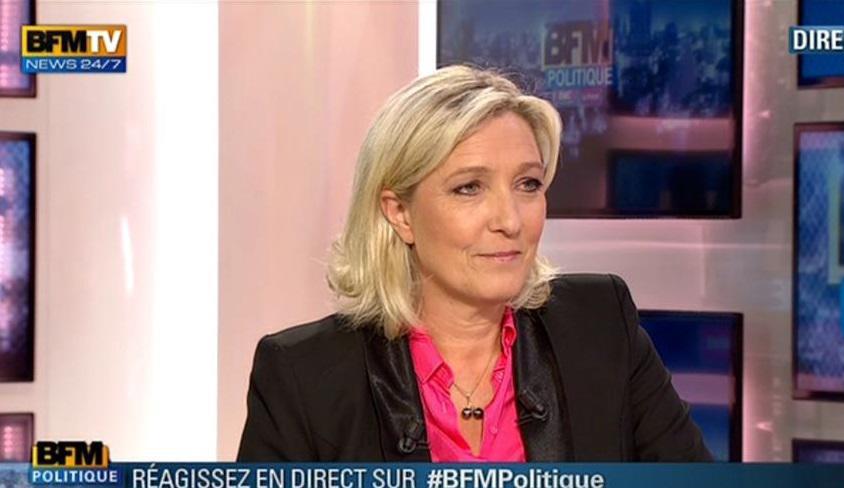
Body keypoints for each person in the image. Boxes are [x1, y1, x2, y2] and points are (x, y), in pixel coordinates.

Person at [237, 66, 712, 462]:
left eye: (528, 184)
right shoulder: (304, 375)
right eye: (469, 188)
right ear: (400, 213)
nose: (509, 220)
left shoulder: (600, 325)